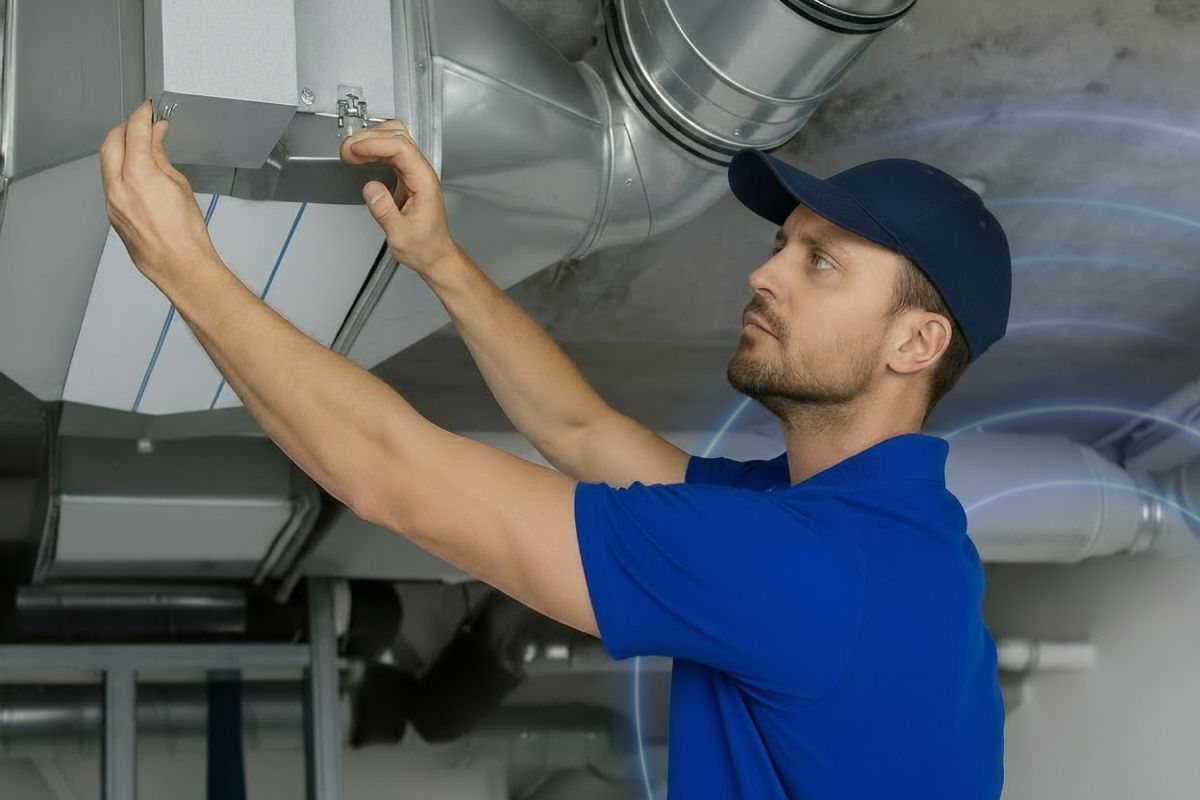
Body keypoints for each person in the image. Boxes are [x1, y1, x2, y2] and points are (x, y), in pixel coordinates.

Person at [100, 99, 1009, 798]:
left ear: (916, 345)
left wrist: (185, 266)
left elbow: (398, 480)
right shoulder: (873, 524)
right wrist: (441, 260)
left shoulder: (808, 569)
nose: (763, 272)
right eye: (784, 244)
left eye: (820, 262)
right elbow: (584, 432)